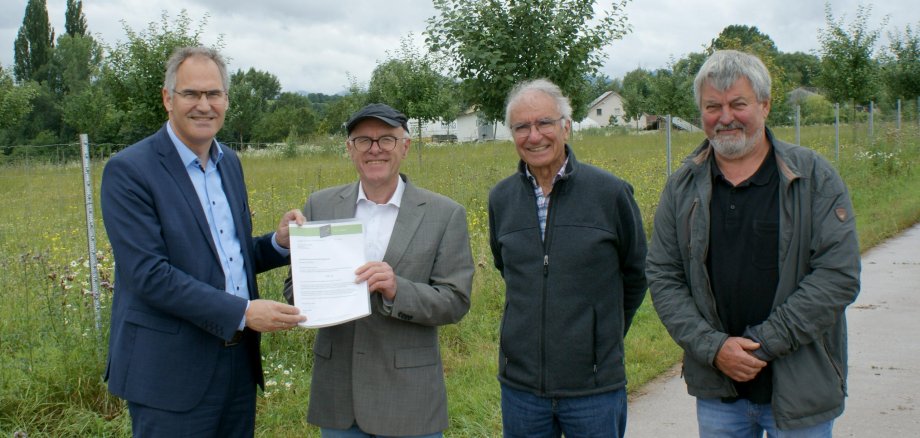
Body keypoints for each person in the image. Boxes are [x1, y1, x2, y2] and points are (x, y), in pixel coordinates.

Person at [646, 49, 861, 437]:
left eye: (738, 104)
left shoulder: (813, 177)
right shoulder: (682, 186)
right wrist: (713, 348)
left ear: (764, 104)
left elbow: (838, 276)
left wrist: (762, 344)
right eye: (713, 106)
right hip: (719, 394)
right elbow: (663, 276)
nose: (725, 117)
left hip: (800, 392)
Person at [100, 46, 307, 437]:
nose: (204, 105)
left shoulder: (229, 163)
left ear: (226, 100)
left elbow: (228, 256)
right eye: (191, 94)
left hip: (236, 367)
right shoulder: (129, 171)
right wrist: (243, 312)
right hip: (169, 373)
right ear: (167, 99)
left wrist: (278, 244)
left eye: (214, 94)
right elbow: (150, 275)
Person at [282, 103, 474, 437]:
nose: (375, 150)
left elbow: (455, 300)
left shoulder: (444, 214)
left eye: (386, 139)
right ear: (349, 148)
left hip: (409, 398)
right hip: (340, 398)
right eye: (363, 140)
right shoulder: (320, 205)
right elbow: (293, 289)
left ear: (405, 146)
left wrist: (398, 289)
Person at [488, 78, 648, 438]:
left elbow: (636, 274)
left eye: (544, 123)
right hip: (522, 389)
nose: (534, 135)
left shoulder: (610, 193)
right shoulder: (501, 199)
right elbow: (507, 269)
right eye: (521, 127)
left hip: (594, 389)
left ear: (566, 126)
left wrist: (600, 335)